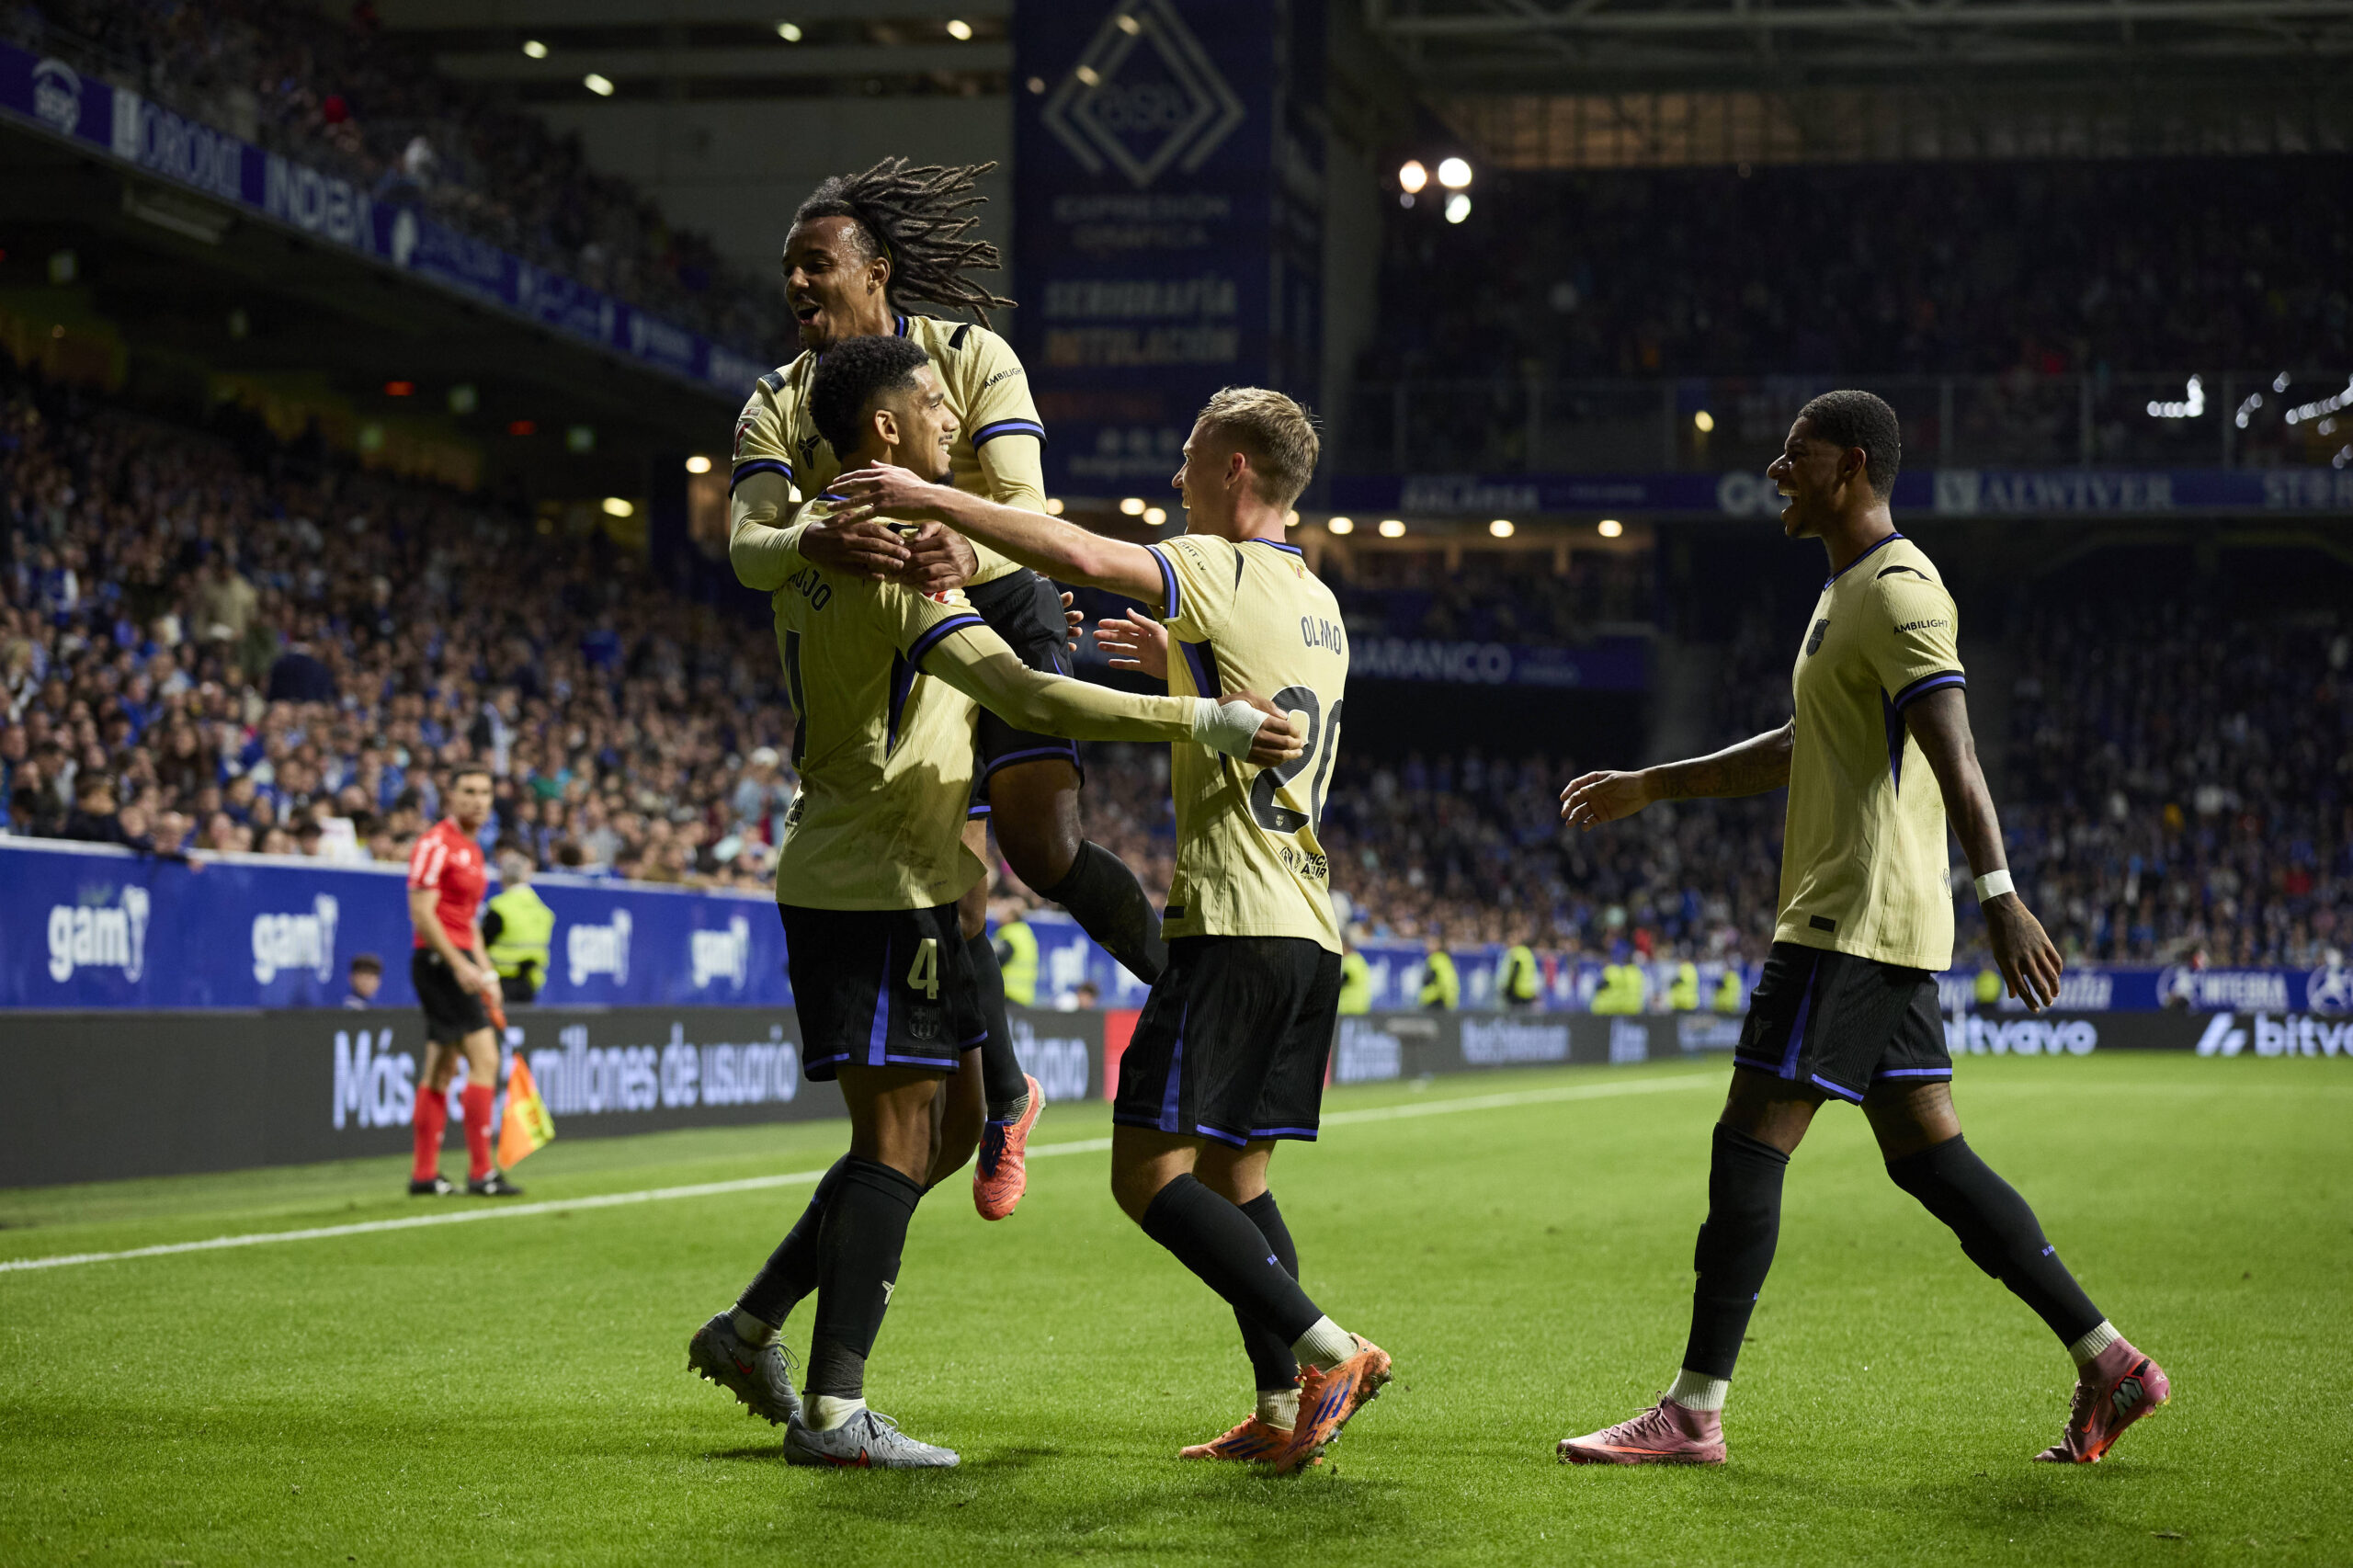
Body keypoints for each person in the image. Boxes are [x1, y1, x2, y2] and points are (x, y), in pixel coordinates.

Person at [688, 335, 1302, 1470]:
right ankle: (833, 1411)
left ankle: (750, 1326)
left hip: (888, 868)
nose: (948, 427)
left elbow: (767, 551)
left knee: (952, 1122)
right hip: (876, 876)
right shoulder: (882, 558)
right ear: (885, 431)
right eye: (930, 410)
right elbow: (1021, 686)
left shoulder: (812, 543)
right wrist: (1205, 719)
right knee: (897, 1132)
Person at [1553, 390, 2167, 1468]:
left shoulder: (1897, 589)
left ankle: (1694, 1409)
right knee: (1932, 1162)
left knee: (1747, 1143)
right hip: (1875, 923)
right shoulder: (1844, 593)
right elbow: (1800, 743)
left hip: (1850, 918)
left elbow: (1957, 752)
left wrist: (2000, 892)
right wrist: (1652, 783)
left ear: (1847, 464)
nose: (1774, 471)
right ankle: (2109, 1361)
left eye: (1793, 455)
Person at [833, 383, 1392, 1475]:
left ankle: (1329, 1348)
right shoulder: (1317, 600)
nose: (1177, 476)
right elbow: (1250, 702)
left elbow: (1079, 555)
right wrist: (1178, 664)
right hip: (1306, 926)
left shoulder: (1220, 564)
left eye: (1190, 456)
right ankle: (1283, 1406)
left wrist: (930, 495)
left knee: (1146, 1175)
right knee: (1238, 1180)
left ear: (1234, 468)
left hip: (1230, 922)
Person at [728, 156, 1166, 1219]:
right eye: (788, 266)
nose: (796, 282)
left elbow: (1021, 501)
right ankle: (1011, 1094)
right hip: (877, 610)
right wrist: (812, 540)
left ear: (875, 271)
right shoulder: (777, 400)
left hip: (992, 588)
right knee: (952, 895)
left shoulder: (971, 358)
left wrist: (957, 555)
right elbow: (748, 546)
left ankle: (1187, 984)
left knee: (1041, 847)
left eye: (816, 263)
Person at [405, 766, 522, 1199]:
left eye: (485, 793)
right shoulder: (435, 845)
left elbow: (467, 921)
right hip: (438, 963)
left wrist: (486, 970)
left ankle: (424, 1175)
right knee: (485, 1060)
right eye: (468, 791)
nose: (477, 800)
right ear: (450, 796)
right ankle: (481, 1172)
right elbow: (422, 913)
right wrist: (459, 965)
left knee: (441, 1067)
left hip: (455, 963)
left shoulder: (472, 849)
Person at [483, 847, 555, 1005]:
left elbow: (482, 944)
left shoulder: (499, 907)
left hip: (501, 981)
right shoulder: (542, 910)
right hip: (531, 981)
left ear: (502, 876)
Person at [991, 897, 1039, 1008]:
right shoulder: (1025, 933)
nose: (998, 915)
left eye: (1002, 911)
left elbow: (994, 962)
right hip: (1024, 997)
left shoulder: (1010, 934)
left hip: (1009, 996)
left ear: (1011, 916)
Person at [1499, 927, 1542, 1010]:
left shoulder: (1516, 952)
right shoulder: (1527, 952)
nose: (1509, 941)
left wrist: (1509, 989)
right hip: (1528, 992)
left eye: (1512, 938)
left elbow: (1516, 969)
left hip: (1517, 992)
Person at [1419, 933, 1459, 1011]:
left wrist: (1448, 1001)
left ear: (1439, 945)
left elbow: (1447, 982)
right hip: (1433, 1002)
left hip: (1436, 1004)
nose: (1427, 945)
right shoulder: (1436, 959)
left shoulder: (1439, 960)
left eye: (1432, 943)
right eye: (1427, 942)